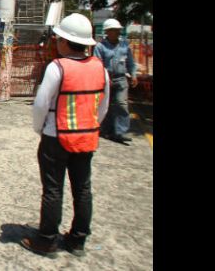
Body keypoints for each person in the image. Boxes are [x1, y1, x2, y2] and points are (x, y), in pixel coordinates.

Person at [21, 13, 110, 258]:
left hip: (56, 137)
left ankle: (47, 240)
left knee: (52, 189)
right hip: (86, 137)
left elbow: (40, 104)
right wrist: (90, 125)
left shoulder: (57, 67)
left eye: (58, 38)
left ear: (64, 41)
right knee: (82, 189)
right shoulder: (99, 68)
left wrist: (40, 128)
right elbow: (103, 106)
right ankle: (78, 240)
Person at [94, 18, 138, 144]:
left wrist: (133, 75)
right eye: (114, 30)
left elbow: (130, 62)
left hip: (121, 79)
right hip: (106, 79)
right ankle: (105, 130)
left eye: (118, 30)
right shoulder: (100, 47)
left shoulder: (124, 45)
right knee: (106, 105)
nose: (117, 32)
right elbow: (97, 64)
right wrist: (103, 78)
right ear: (107, 32)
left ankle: (120, 132)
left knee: (121, 104)